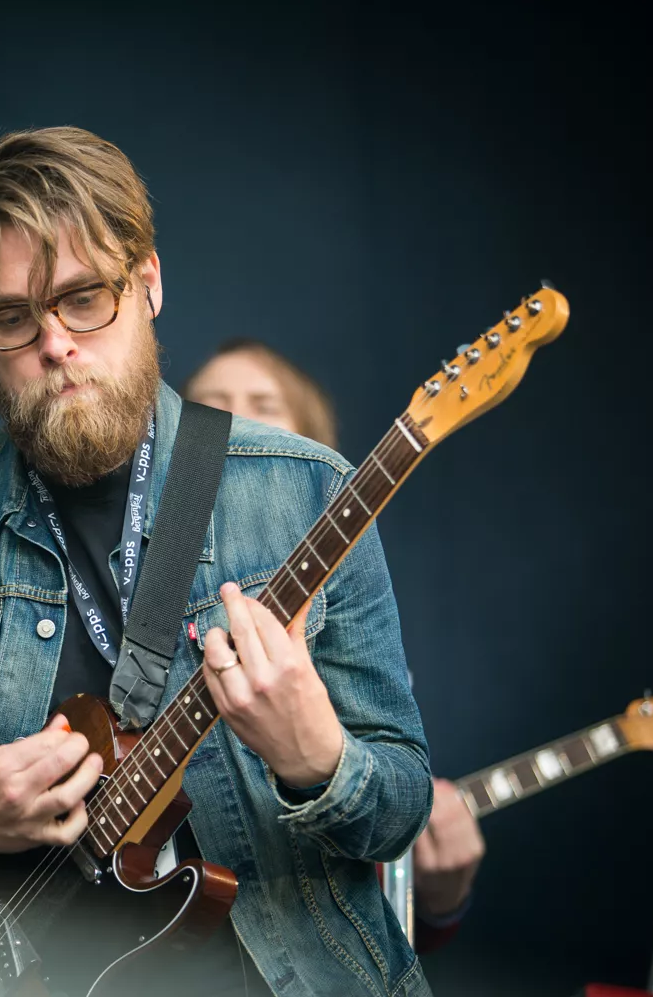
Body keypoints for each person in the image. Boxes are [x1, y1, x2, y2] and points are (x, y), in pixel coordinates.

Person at [0, 126, 434, 996]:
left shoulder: (309, 492)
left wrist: (318, 758)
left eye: (85, 298)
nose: (55, 343)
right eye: (12, 317)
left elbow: (401, 806)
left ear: (149, 283)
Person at [182, 337, 485, 953]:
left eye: (263, 405)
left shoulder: (356, 602)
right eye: (212, 408)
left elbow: (384, 874)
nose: (237, 423)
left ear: (311, 445)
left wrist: (442, 901)